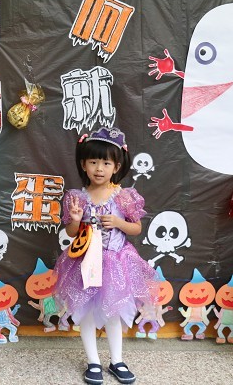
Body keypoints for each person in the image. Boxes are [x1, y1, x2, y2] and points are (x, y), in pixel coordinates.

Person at [54, 126, 157, 385]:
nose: (99, 168)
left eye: (106, 163)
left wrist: (119, 223)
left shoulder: (124, 196)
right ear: (83, 164)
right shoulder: (77, 197)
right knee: (87, 313)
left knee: (113, 312)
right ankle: (93, 362)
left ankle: (117, 361)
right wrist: (75, 220)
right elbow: (72, 232)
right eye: (93, 162)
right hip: (85, 263)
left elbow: (136, 228)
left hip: (115, 263)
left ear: (116, 166)